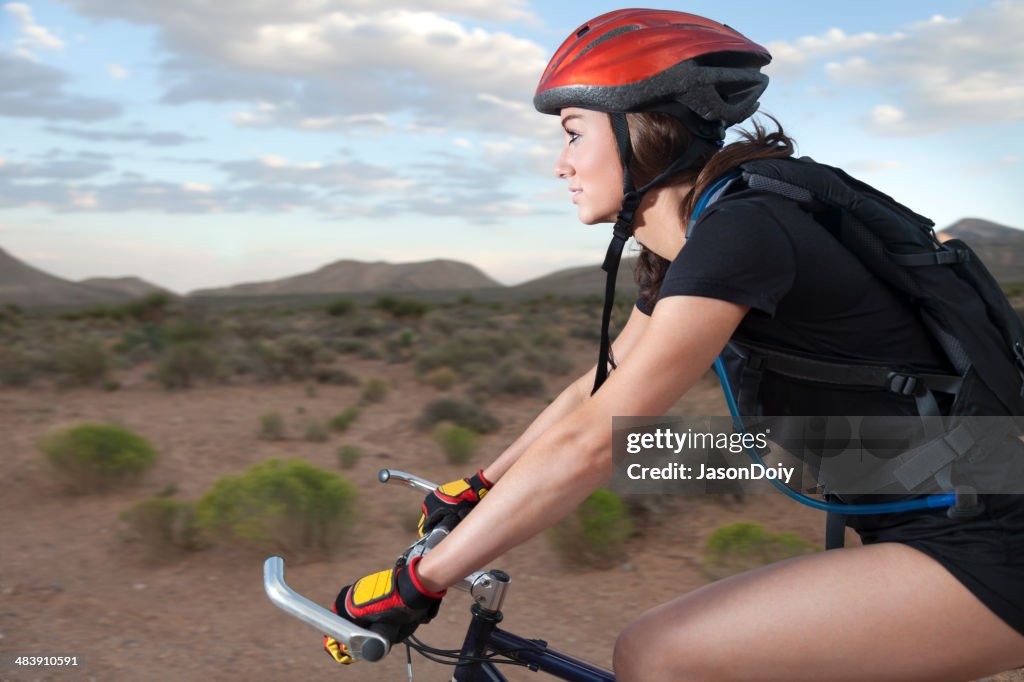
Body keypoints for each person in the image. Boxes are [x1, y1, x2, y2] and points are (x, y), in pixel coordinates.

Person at [324, 9, 1024, 680]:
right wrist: (482, 485)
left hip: (989, 539)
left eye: (573, 133)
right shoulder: (699, 236)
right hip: (938, 507)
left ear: (642, 131)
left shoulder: (743, 232)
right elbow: (598, 386)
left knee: (659, 655)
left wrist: (418, 582)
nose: (560, 165)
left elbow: (600, 443)